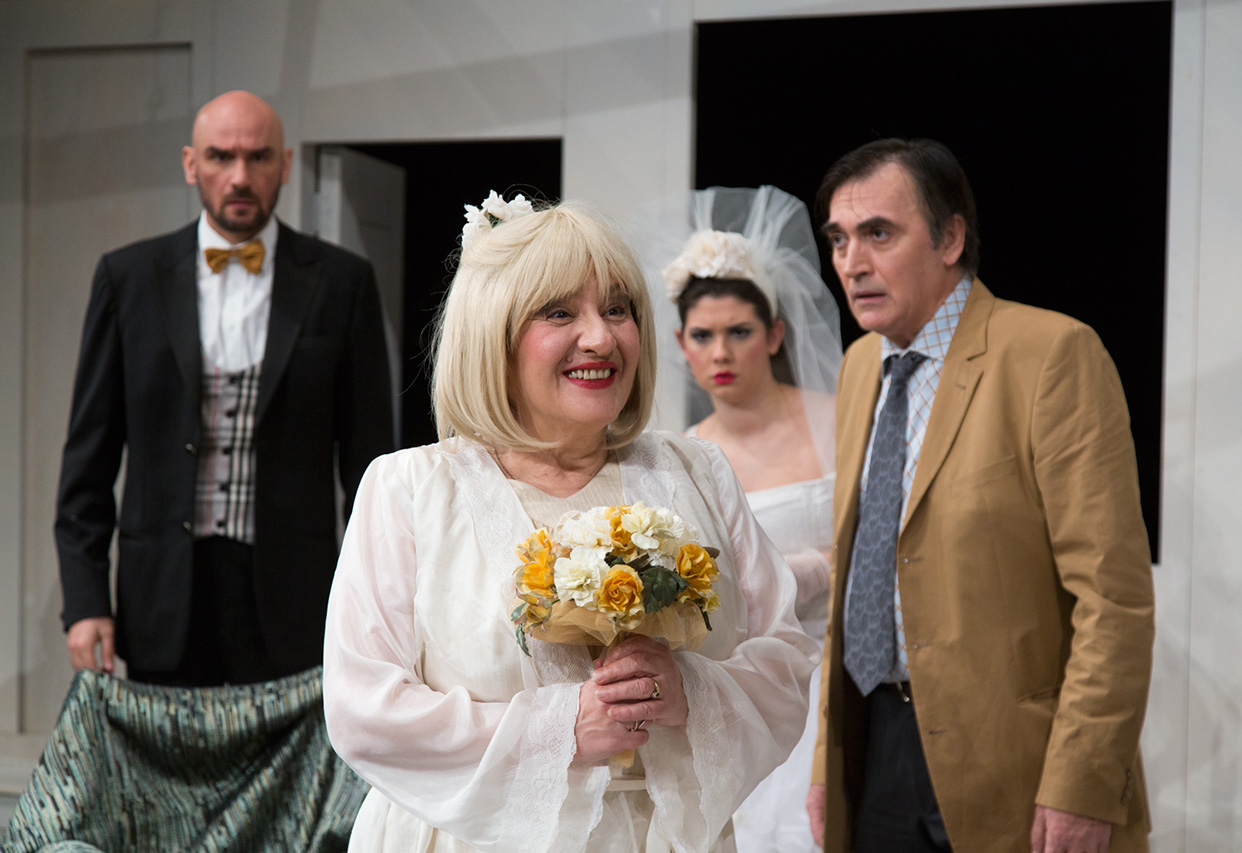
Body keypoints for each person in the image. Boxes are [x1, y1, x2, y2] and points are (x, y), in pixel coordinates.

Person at [322, 195, 818, 852]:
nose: (601, 337)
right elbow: (363, 707)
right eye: (559, 312)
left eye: (618, 309)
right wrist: (561, 730)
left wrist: (689, 692)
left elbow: (785, 655)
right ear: (493, 333)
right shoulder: (410, 489)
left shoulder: (697, 471)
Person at [807, 138, 1155, 853]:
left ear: (950, 238)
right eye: (838, 239)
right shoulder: (858, 366)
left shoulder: (1052, 353)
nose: (851, 262)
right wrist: (825, 765)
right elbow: (856, 571)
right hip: (875, 748)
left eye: (878, 233)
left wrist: (1083, 782)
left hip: (1018, 764)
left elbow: (1113, 598)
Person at [54, 90, 395, 686]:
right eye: (220, 157)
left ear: (284, 165)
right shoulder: (128, 278)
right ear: (192, 164)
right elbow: (89, 459)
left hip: (295, 598)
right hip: (162, 594)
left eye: (258, 157)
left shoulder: (342, 282)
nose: (240, 176)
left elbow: (371, 467)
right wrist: (85, 602)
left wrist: (376, 606)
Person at [651, 186, 842, 852]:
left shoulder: (837, 416)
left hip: (846, 666)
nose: (721, 353)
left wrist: (820, 572)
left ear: (776, 334)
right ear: (681, 344)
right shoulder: (684, 457)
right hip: (752, 681)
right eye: (703, 336)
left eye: (739, 332)